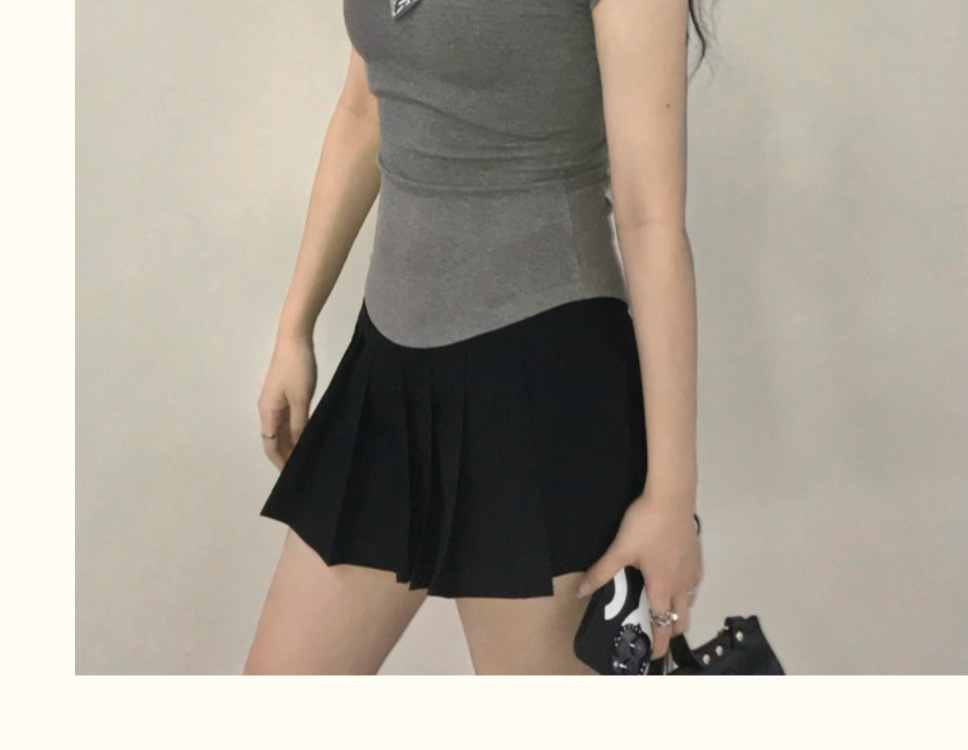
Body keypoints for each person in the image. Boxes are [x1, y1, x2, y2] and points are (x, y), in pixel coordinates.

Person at [245, 0, 709, 675]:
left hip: (541, 386)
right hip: (387, 366)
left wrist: (671, 499)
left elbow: (651, 221)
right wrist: (295, 327)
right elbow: (363, 111)